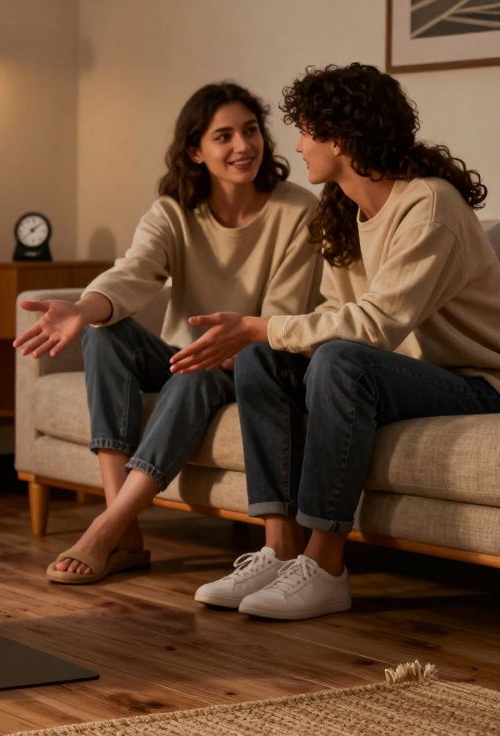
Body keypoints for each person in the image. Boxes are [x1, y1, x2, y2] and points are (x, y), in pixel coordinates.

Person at [170, 63, 500, 620]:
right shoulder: (344, 210)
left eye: (305, 131)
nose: (296, 146)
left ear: (340, 139)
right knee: (261, 357)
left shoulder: (429, 205)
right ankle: (279, 548)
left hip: (474, 382)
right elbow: (332, 311)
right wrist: (262, 337)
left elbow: (376, 325)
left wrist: (262, 323)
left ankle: (325, 567)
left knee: (339, 359)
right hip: (395, 374)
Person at [14, 82, 321, 584]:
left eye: (250, 131)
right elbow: (133, 274)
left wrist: (233, 345)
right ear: (196, 151)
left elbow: (281, 313)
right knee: (103, 332)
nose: (243, 146)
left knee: (194, 375)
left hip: (249, 358)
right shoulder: (174, 209)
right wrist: (84, 307)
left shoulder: (297, 210)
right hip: (182, 353)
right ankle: (126, 526)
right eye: (223, 136)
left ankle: (106, 528)